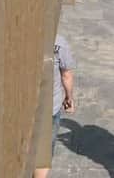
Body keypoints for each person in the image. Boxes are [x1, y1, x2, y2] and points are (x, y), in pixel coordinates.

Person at [34, 35, 75, 178]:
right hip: (49, 107)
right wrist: (69, 97)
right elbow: (66, 75)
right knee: (43, 154)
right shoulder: (58, 41)